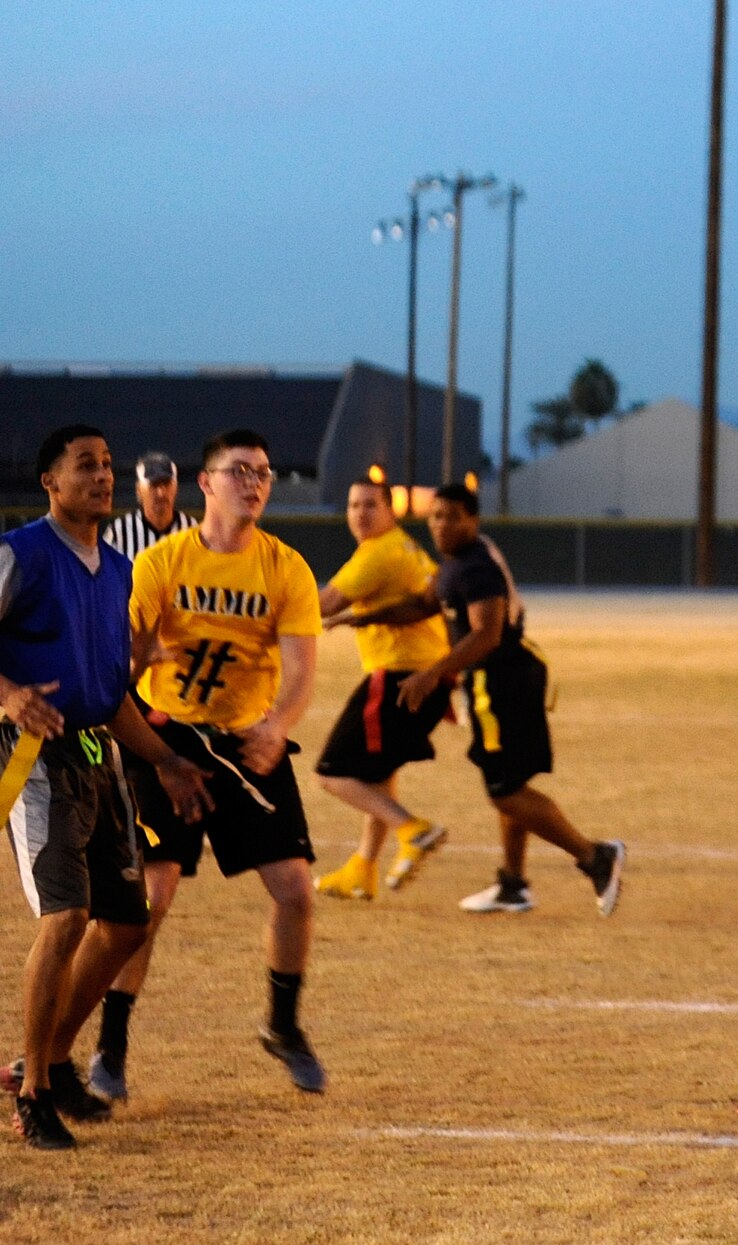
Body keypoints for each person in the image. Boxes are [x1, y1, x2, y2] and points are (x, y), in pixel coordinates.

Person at [92, 429, 327, 1098]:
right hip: (165, 741)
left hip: (245, 742)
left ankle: (282, 1025)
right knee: (150, 896)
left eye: (264, 471)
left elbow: (303, 667)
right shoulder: (163, 561)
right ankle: (111, 1048)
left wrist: (278, 724)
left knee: (296, 890)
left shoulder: (285, 567)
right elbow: (122, 663)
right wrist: (145, 666)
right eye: (240, 470)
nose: (254, 481)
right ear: (207, 481)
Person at [0, 426, 211, 1149]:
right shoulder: (21, 552)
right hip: (32, 754)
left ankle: (51, 1062)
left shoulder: (119, 569)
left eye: (108, 464)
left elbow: (114, 693)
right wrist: (7, 693)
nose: (102, 475)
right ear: (50, 482)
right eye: (84, 464)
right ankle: (31, 1096)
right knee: (65, 917)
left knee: (126, 921)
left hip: (100, 754)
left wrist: (166, 761)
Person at [337, 483, 625, 917]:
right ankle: (513, 884)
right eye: (435, 516)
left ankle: (594, 857)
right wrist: (365, 616)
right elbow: (423, 603)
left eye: (452, 516)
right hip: (501, 680)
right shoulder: (458, 561)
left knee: (505, 792)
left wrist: (432, 674)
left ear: (473, 520)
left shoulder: (476, 569)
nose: (441, 524)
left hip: (504, 683)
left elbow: (486, 634)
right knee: (509, 781)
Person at [311, 476, 453, 899]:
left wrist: (267, 597)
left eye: (370, 505)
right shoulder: (402, 546)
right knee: (378, 775)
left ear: (390, 510)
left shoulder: (380, 552)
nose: (359, 513)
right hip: (428, 677)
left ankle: (413, 829)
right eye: (353, 505)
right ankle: (363, 868)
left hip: (399, 677)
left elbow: (324, 604)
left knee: (331, 773)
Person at [103, 451, 198, 562]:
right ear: (139, 490)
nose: (161, 493)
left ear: (176, 488)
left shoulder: (191, 528)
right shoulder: (118, 532)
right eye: (154, 484)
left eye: (167, 484)